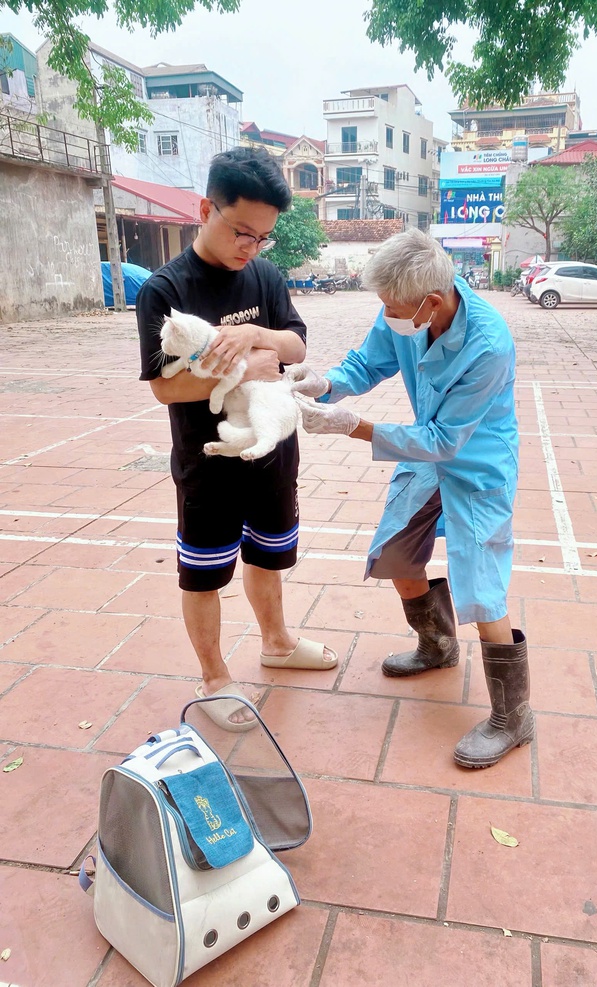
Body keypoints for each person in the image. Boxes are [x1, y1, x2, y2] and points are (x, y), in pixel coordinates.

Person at [287, 229, 533, 769]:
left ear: (433, 302)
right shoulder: (405, 303)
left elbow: (448, 441)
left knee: (482, 588)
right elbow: (368, 363)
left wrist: (353, 427)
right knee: (397, 554)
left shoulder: (488, 345)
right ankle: (437, 645)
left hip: (476, 462)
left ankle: (513, 717)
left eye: (393, 308)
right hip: (424, 453)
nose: (387, 315)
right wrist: (325, 385)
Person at [136, 147, 337, 733]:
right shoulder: (165, 290)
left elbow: (296, 346)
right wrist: (244, 370)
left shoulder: (264, 276)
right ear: (206, 208)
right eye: (241, 231)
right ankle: (214, 677)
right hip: (207, 461)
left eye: (263, 237)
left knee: (270, 552)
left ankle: (275, 641)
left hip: (273, 451)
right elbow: (164, 390)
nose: (250, 247)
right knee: (202, 570)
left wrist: (253, 334)